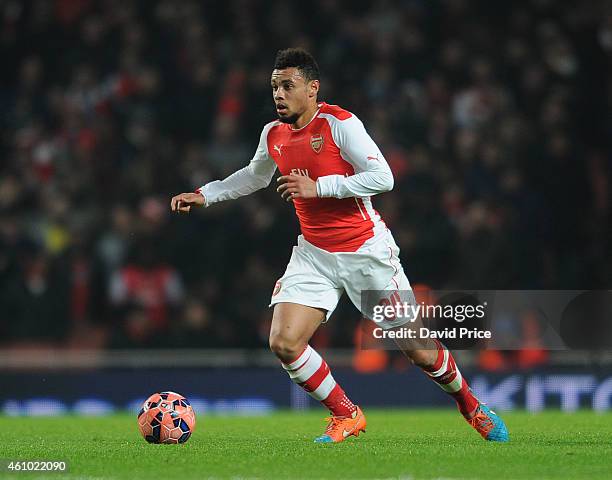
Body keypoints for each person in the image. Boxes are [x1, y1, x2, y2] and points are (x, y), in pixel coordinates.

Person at [170, 48, 508, 443]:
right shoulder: (273, 134)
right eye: (274, 86)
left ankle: (471, 406)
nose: (279, 94)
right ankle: (346, 414)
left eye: (288, 86)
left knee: (417, 349)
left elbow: (384, 177)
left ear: (312, 89)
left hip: (366, 252)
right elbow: (254, 176)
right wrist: (205, 194)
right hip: (313, 254)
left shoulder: (339, 124)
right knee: (284, 341)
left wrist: (321, 187)